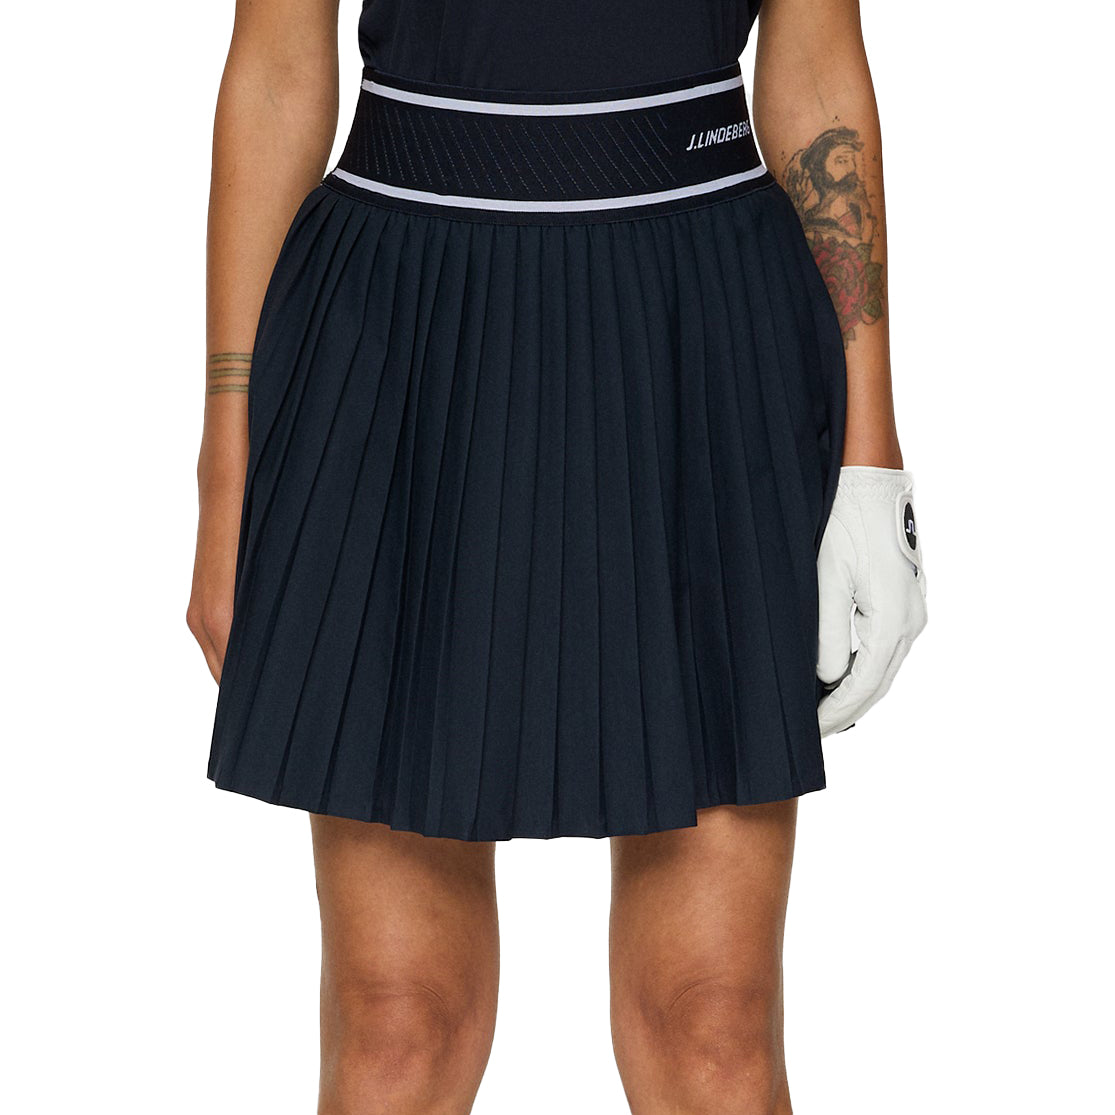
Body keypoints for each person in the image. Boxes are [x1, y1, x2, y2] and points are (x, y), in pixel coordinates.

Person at [187, 0, 927, 1110]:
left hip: (697, 335)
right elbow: (276, 70)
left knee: (713, 1024)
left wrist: (871, 460)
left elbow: (817, 66)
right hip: (406, 333)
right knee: (397, 1023)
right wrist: (227, 465)